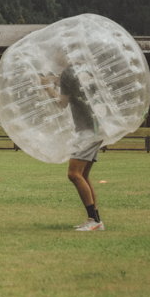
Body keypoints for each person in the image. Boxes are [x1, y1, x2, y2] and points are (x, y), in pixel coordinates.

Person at [41, 48, 104, 231]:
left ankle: (94, 220)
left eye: (55, 52)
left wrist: (47, 87)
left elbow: (62, 104)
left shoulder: (69, 73)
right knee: (83, 175)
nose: (53, 57)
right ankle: (95, 220)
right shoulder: (81, 69)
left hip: (86, 130)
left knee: (73, 174)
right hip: (96, 127)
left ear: (63, 52)